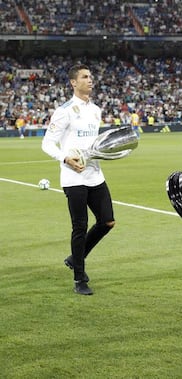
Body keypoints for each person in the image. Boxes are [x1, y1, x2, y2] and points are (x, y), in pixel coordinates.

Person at [41, 64, 115, 295]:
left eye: (90, 76)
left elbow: (92, 144)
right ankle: (79, 279)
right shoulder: (64, 110)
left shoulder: (95, 110)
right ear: (74, 83)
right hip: (73, 177)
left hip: (95, 173)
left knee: (107, 221)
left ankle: (76, 258)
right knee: (80, 226)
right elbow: (47, 143)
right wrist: (66, 158)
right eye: (85, 77)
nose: (90, 80)